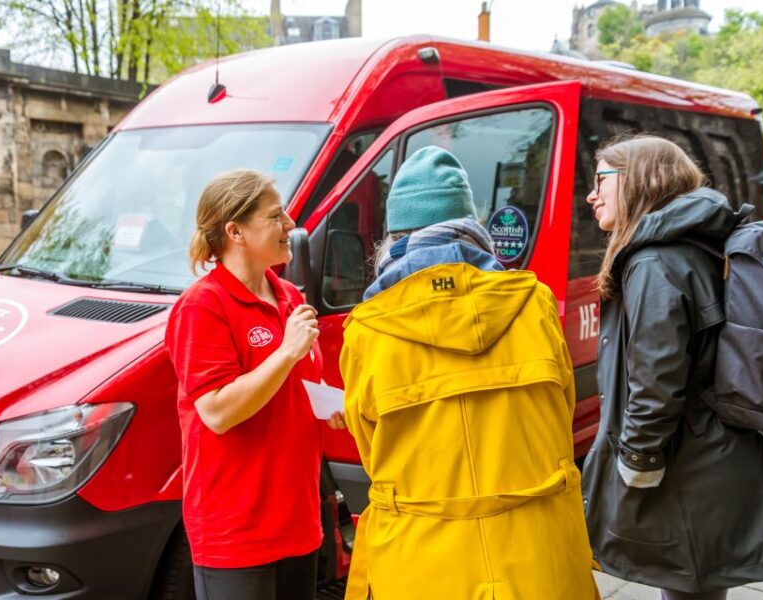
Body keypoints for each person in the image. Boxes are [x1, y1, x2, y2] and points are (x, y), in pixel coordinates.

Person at [339, 146, 599, 600]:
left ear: (395, 236)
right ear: (472, 227)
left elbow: (371, 451)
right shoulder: (533, 303)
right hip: (540, 555)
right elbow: (561, 414)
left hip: (422, 566)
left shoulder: (366, 329)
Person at [581, 135, 763, 600]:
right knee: (695, 587)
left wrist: (637, 461)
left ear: (637, 181)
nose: (591, 194)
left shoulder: (655, 261)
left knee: (686, 585)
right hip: (712, 453)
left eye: (601, 181)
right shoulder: (691, 246)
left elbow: (656, 379)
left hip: (683, 463)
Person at [164, 169, 345, 600]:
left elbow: (295, 389)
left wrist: (331, 407)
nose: (290, 227)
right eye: (276, 216)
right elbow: (218, 412)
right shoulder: (203, 306)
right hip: (236, 532)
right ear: (236, 231)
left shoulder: (290, 298)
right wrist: (286, 353)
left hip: (298, 522)